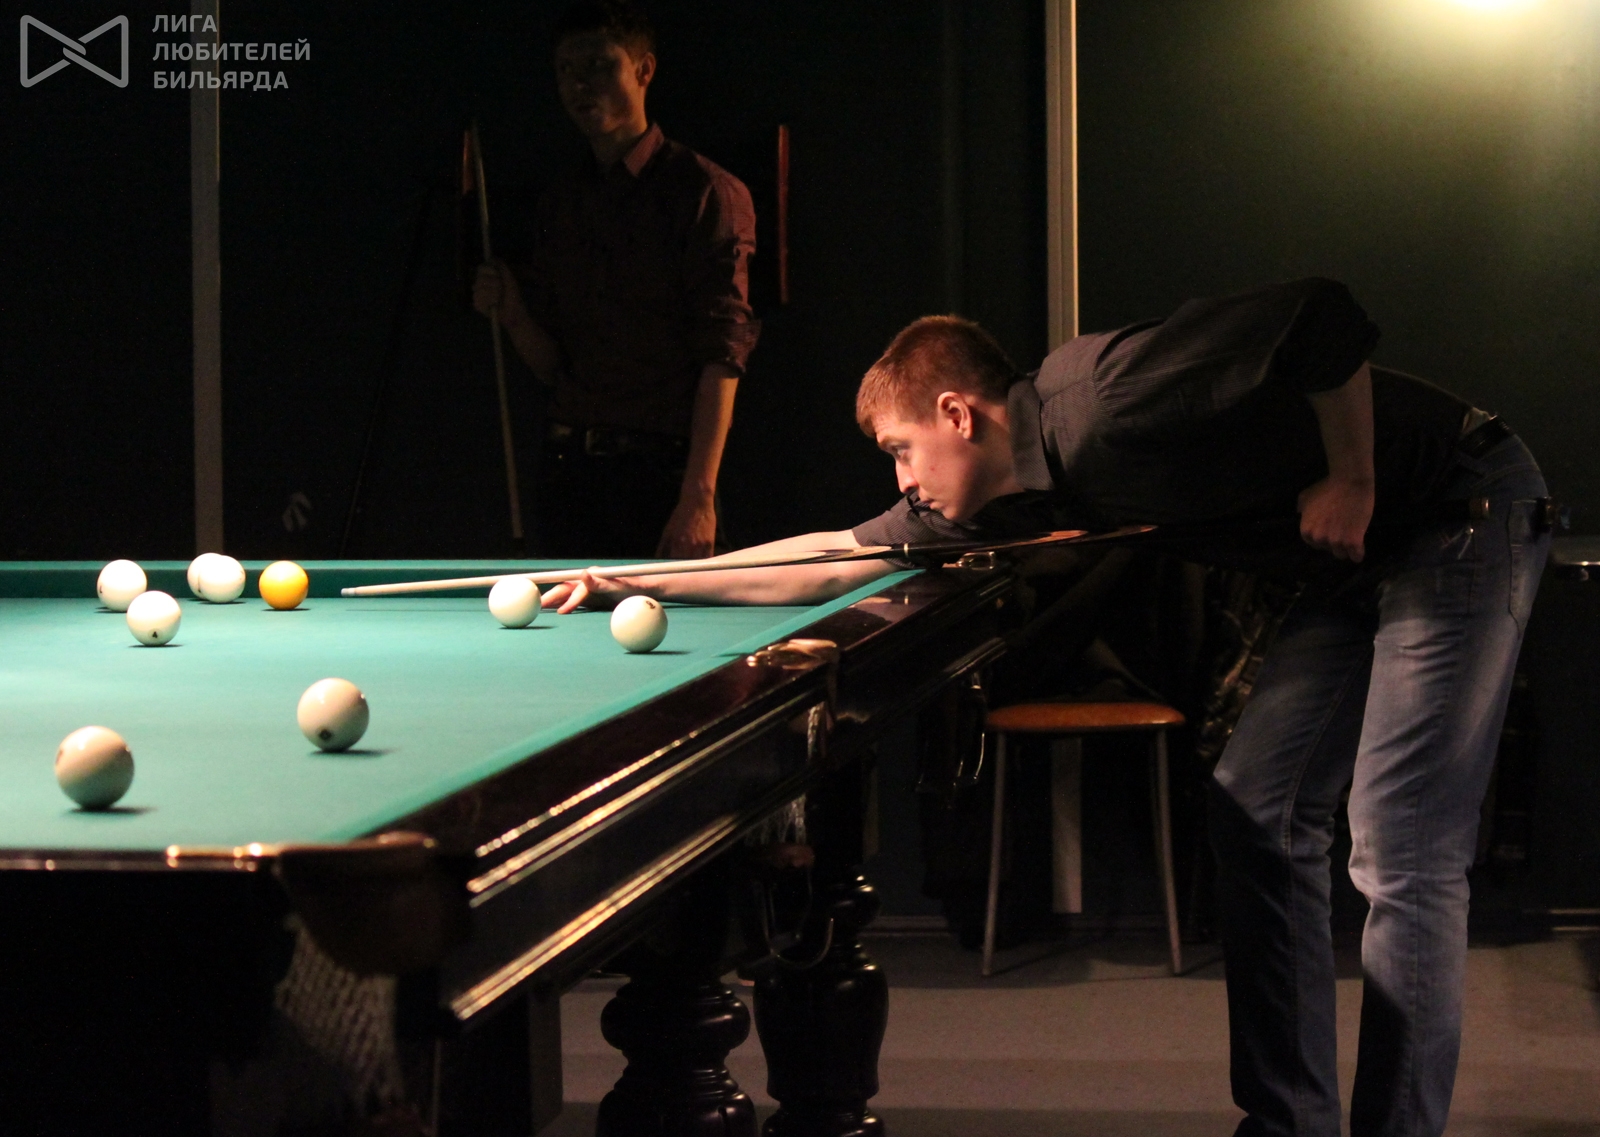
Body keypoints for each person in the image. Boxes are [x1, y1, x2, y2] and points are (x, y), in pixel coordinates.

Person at [543, 278, 1552, 1137]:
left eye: (900, 450)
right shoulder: (1008, 495)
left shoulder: (1106, 396)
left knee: (1400, 849)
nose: (902, 481)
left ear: (956, 414)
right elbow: (836, 556)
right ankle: (1290, 1123)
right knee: (1255, 806)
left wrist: (1351, 476)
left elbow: (1321, 319)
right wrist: (641, 580)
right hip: (1354, 562)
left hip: (1457, 508)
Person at [473, 0, 759, 559]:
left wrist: (698, 496)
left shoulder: (704, 191)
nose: (580, 84)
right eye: (566, 70)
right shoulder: (561, 202)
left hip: (659, 476)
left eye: (599, 66)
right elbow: (554, 367)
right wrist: (512, 314)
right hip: (568, 472)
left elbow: (723, 353)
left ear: (643, 70)